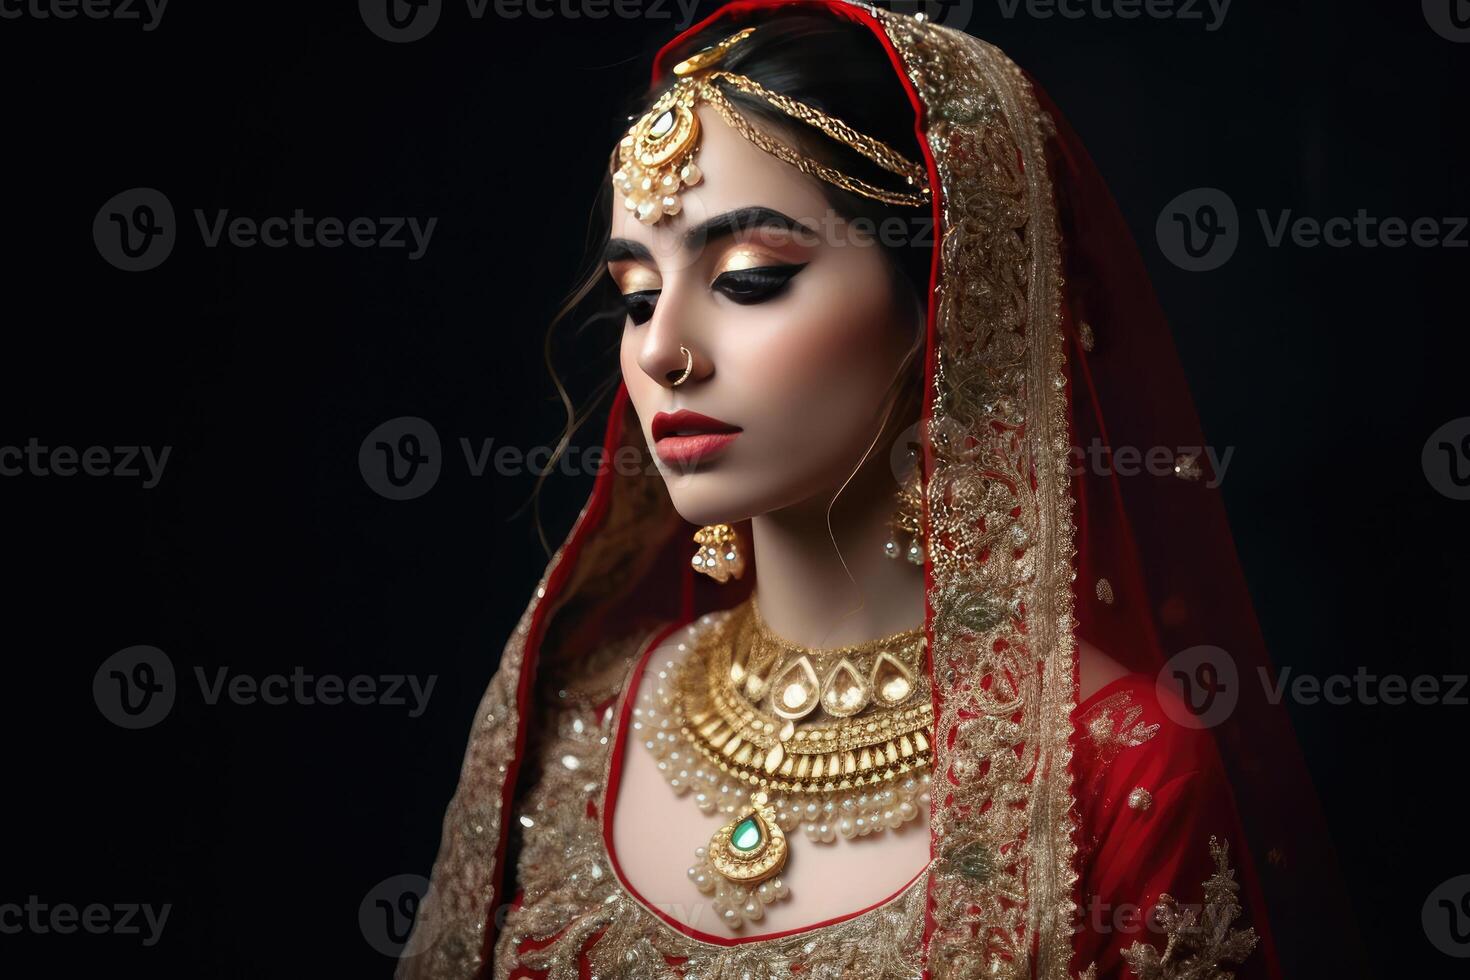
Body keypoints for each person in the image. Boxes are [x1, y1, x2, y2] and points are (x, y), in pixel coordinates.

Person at [400, 3, 1359, 977]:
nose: (659, 350)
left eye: (748, 278)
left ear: (948, 296)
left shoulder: (1115, 774)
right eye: (638, 295)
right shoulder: (573, 719)